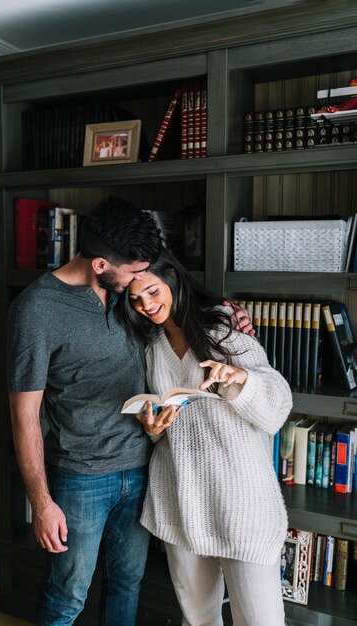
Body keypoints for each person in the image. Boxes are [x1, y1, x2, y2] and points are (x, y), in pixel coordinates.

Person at [6, 197, 253, 626]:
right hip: (79, 477)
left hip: (141, 468)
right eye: (135, 271)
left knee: (126, 587)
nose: (142, 282)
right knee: (67, 596)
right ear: (100, 263)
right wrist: (41, 502)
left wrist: (227, 310)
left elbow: (175, 298)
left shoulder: (126, 296)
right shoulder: (36, 311)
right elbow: (24, 415)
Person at [121, 248, 293, 626]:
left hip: (242, 505)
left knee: (261, 621)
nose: (146, 305)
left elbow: (277, 408)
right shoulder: (150, 347)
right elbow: (161, 427)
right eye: (135, 299)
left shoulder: (222, 329)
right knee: (198, 621)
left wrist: (241, 380)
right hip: (181, 502)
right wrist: (154, 430)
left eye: (152, 291)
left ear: (172, 279)